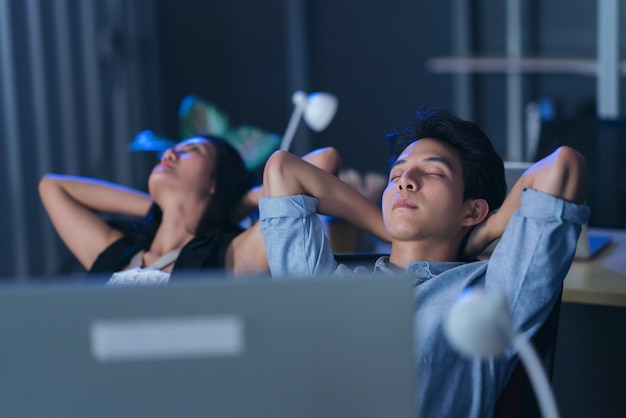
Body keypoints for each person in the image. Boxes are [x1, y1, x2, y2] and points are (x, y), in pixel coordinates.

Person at [258, 106, 590, 417]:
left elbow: (562, 168)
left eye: (433, 171)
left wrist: (487, 228)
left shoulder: (489, 295)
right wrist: (390, 227)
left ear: (472, 209)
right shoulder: (331, 289)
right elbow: (283, 170)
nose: (405, 181)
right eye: (395, 176)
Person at [39, 134, 340, 283]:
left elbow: (321, 164)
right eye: (174, 149)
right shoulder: (116, 252)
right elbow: (52, 187)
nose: (170, 152)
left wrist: (235, 204)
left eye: (191, 150)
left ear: (215, 183)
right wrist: (159, 206)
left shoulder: (228, 254)